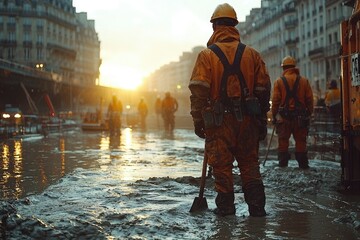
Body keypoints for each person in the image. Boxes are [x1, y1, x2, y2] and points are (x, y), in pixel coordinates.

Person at [189, 3, 271, 217]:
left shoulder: (206, 56)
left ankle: (226, 212)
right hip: (248, 122)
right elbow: (263, 91)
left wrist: (199, 121)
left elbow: (199, 92)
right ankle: (257, 210)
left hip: (219, 123)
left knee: (222, 168)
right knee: (250, 165)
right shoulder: (252, 55)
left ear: (215, 26)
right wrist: (261, 121)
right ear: (235, 26)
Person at [271, 56, 314, 169]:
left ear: (283, 68)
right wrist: (308, 113)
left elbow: (275, 101)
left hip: (284, 119)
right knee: (301, 141)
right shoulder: (304, 81)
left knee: (283, 141)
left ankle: (283, 165)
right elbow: (309, 99)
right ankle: (303, 165)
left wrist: (274, 115)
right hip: (300, 118)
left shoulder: (279, 82)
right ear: (294, 67)